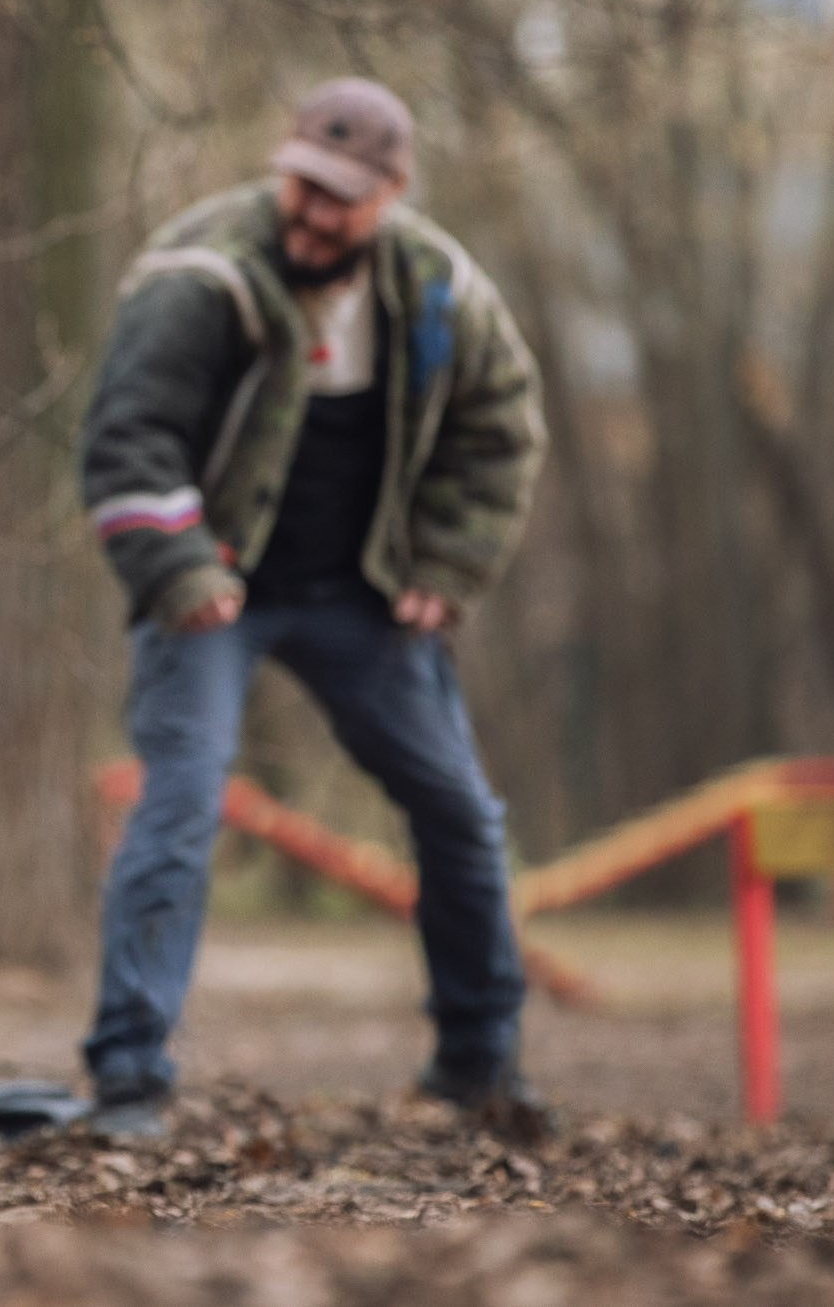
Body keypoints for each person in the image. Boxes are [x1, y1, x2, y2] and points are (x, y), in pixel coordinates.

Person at [78, 78, 546, 1137]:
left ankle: (481, 1063)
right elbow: (124, 437)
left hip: (361, 592)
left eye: (339, 197)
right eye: (301, 184)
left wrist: (448, 561)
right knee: (181, 799)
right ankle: (127, 1073)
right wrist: (181, 569)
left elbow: (501, 427)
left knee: (459, 809)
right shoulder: (200, 270)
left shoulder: (436, 291)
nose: (311, 213)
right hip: (212, 583)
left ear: (389, 194)